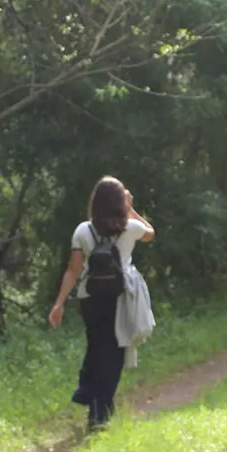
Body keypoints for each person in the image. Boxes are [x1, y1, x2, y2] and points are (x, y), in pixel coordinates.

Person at [49, 176, 155, 431]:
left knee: (97, 347)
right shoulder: (130, 227)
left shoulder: (83, 230)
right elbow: (151, 234)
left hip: (90, 298)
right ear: (119, 202)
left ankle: (90, 394)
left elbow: (73, 270)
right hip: (120, 297)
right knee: (113, 353)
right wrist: (130, 208)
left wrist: (59, 303)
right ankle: (99, 412)